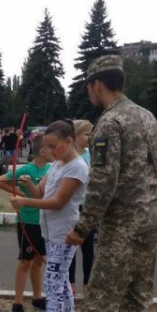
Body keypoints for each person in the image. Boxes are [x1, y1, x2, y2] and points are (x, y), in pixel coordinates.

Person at [41, 55, 157, 312]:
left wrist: (82, 229)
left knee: (99, 300)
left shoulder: (110, 123)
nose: (88, 92)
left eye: (89, 85)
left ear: (98, 85)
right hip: (151, 219)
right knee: (138, 297)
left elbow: (102, 184)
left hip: (123, 223)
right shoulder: (147, 116)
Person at [12, 121, 88, 312]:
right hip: (51, 234)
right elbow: (42, 194)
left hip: (64, 234)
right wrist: (29, 186)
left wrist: (25, 203)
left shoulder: (77, 168)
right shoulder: (57, 164)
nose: (51, 152)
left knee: (53, 286)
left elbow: (57, 203)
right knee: (61, 281)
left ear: (69, 142)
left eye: (54, 146)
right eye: (48, 147)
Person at [0, 133, 50, 312]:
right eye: (51, 147)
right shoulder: (27, 169)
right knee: (25, 261)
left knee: (39, 261)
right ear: (43, 151)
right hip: (28, 222)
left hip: (45, 222)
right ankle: (17, 303)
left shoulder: (51, 168)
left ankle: (37, 298)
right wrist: (18, 192)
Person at [68, 120, 97, 294]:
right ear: (75, 136)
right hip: (73, 206)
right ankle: (70, 282)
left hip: (88, 206)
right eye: (86, 134)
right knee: (71, 245)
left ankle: (87, 282)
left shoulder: (91, 155)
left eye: (91, 134)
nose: (90, 137)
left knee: (88, 248)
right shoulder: (71, 156)